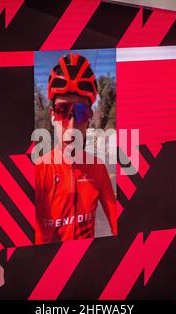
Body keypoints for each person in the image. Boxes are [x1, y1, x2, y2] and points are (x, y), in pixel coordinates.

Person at [35, 53, 117, 244]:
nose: (72, 126)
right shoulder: (38, 170)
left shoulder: (97, 168)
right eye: (63, 111)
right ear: (52, 115)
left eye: (80, 113)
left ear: (89, 118)